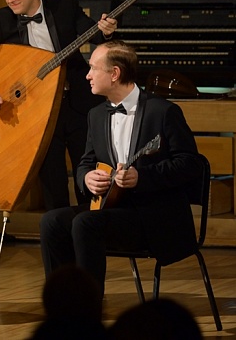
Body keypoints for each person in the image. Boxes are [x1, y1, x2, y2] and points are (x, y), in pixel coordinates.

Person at [39, 40, 202, 298]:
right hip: (112, 209)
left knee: (85, 223)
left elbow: (190, 164)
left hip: (155, 217)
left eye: (94, 68)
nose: (88, 75)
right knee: (52, 221)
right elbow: (85, 163)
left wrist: (142, 177)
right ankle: (63, 303)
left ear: (114, 74)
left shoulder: (163, 111)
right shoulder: (96, 115)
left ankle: (88, 307)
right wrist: (87, 178)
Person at [0, 0, 117, 210]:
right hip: (38, 113)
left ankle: (91, 229)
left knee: (89, 177)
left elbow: (95, 35)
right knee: (53, 184)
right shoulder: (3, 20)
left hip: (78, 105)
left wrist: (106, 31)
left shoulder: (65, 7)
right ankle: (59, 232)